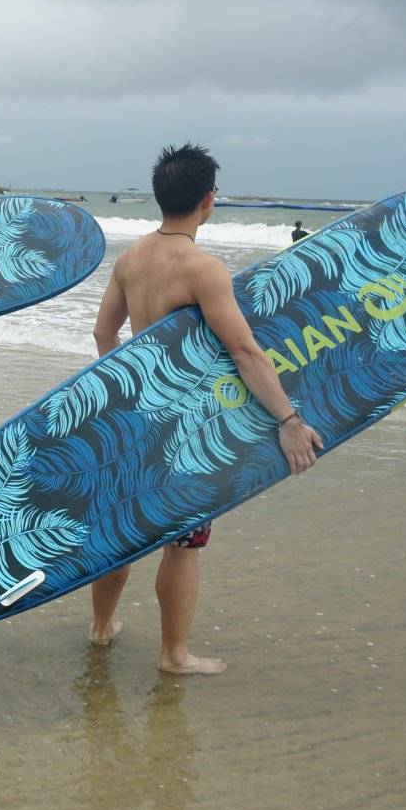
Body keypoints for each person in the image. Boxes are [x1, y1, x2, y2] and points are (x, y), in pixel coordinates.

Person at [87, 143, 323, 675]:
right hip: (185, 426)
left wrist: (132, 385)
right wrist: (289, 421)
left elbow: (104, 331)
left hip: (137, 418)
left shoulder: (131, 258)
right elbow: (243, 350)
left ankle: (101, 629)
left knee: (123, 530)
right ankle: (174, 655)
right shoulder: (202, 268)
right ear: (209, 200)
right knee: (184, 542)